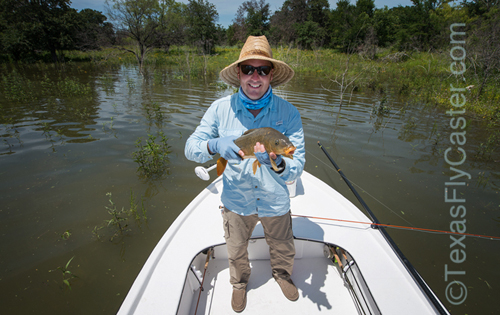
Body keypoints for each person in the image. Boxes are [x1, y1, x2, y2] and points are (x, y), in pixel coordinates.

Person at [184, 35, 305, 312]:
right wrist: (213, 144)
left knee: (283, 247)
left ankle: (282, 275)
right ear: (238, 72)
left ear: (271, 74)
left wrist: (276, 163)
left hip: (275, 201)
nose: (255, 77)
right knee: (236, 250)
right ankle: (239, 283)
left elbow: (297, 165)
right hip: (236, 202)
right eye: (248, 69)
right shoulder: (219, 109)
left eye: (262, 70)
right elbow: (191, 148)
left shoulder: (289, 114)